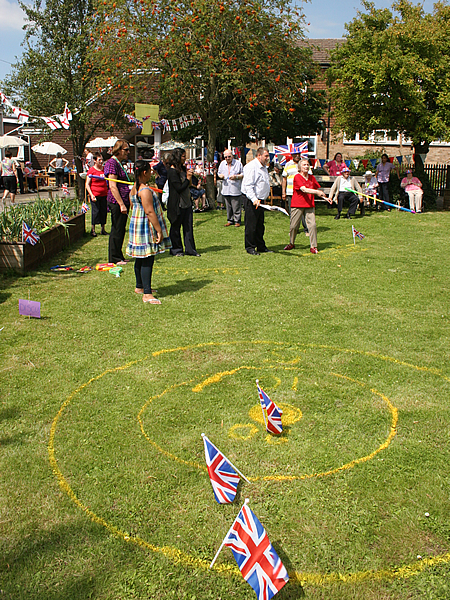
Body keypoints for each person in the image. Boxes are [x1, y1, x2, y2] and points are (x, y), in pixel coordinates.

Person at [126, 160, 171, 305]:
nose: (152, 173)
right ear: (144, 172)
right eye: (150, 171)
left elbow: (134, 205)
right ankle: (147, 293)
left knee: (140, 257)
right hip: (145, 226)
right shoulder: (144, 190)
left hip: (137, 225)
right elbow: (150, 211)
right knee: (147, 258)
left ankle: (139, 286)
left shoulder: (135, 188)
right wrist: (159, 230)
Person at [284, 159, 328, 254]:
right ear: (300, 167)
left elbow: (317, 190)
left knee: (312, 225)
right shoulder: (297, 177)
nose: (306, 166)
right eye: (304, 165)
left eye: (308, 165)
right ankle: (291, 243)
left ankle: (313, 246)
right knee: (294, 226)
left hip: (309, 204)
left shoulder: (311, 178)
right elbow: (304, 189)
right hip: (297, 204)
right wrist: (317, 192)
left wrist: (326, 198)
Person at [167, 148, 200, 257]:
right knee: (175, 228)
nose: (185, 159)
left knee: (188, 227)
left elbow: (188, 185)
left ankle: (190, 249)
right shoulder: (172, 171)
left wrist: (190, 179)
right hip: (177, 204)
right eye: (183, 156)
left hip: (187, 203)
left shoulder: (183, 169)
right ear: (177, 157)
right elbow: (179, 188)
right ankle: (176, 250)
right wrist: (187, 178)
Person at [104, 139, 132, 265]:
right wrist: (121, 203)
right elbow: (113, 186)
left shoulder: (119, 163)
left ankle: (119, 255)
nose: (128, 152)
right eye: (126, 150)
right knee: (116, 229)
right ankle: (114, 258)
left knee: (121, 229)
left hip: (123, 201)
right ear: (119, 150)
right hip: (116, 202)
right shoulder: (112, 163)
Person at [241, 147, 272, 255]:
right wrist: (254, 199)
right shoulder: (251, 167)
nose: (268, 158)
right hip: (252, 200)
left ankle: (261, 246)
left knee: (260, 225)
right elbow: (248, 185)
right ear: (259, 155)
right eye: (266, 156)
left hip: (260, 200)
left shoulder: (264, 167)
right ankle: (250, 247)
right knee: (251, 225)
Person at [281, 151, 308, 236]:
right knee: (293, 212)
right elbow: (284, 179)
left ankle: (307, 229)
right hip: (290, 192)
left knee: (303, 211)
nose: (297, 156)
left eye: (298, 154)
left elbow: (309, 176)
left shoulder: (304, 164)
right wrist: (283, 192)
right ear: (291, 155)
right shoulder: (288, 164)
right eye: (295, 154)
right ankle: (293, 229)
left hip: (302, 192)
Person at [217, 149, 244, 226]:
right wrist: (220, 176)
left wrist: (236, 177)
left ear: (232, 156)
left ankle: (237, 221)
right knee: (228, 206)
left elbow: (243, 174)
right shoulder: (222, 164)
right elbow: (219, 173)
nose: (227, 158)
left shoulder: (238, 164)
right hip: (226, 188)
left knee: (236, 206)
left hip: (235, 188)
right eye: (225, 157)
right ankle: (230, 220)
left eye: (229, 156)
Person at [86, 152, 108, 237]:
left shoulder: (104, 169)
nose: (101, 161)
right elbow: (87, 184)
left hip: (104, 194)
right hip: (95, 194)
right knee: (96, 212)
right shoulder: (91, 170)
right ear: (95, 161)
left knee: (103, 211)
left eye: (102, 159)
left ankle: (103, 229)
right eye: (99, 160)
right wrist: (91, 194)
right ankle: (93, 230)